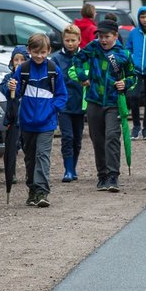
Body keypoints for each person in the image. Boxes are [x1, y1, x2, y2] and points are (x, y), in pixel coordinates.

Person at [5, 32, 67, 207]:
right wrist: (12, 87)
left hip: (47, 123)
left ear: (48, 51)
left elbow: (62, 95)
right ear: (29, 50)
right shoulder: (23, 69)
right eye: (36, 52)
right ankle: (32, 189)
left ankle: (41, 191)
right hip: (26, 123)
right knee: (30, 158)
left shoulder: (53, 70)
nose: (39, 56)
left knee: (42, 155)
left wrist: (52, 110)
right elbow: (14, 95)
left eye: (43, 52)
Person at [74, 18, 136, 192]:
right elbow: (77, 59)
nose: (103, 40)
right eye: (100, 36)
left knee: (111, 138)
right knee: (97, 139)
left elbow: (133, 76)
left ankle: (113, 175)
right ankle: (102, 176)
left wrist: (125, 82)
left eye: (106, 36)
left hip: (113, 102)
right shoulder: (93, 47)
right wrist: (82, 77)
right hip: (94, 101)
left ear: (115, 36)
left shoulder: (124, 54)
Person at [53, 24, 86, 183]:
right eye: (67, 40)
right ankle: (68, 170)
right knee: (67, 136)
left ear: (79, 40)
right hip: (64, 104)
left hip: (80, 104)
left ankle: (73, 167)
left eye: (73, 40)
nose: (70, 43)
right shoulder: (56, 58)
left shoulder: (84, 57)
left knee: (77, 139)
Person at [126, 7, 146, 140]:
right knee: (134, 97)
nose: (144, 20)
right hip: (137, 70)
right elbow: (128, 49)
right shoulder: (133, 33)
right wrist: (132, 59)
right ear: (139, 18)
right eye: (142, 17)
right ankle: (136, 127)